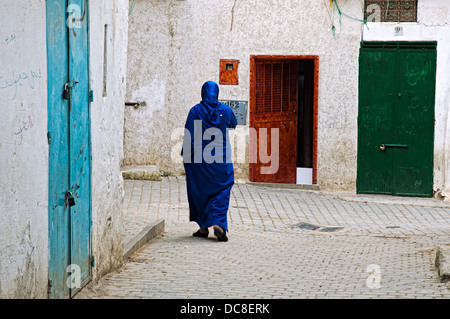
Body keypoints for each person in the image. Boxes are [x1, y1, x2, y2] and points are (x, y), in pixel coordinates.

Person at [181, 81, 237, 241]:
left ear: (202, 93)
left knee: (200, 191)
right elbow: (233, 123)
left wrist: (186, 157)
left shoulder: (195, 111)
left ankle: (203, 228)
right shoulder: (225, 111)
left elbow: (189, 137)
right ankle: (218, 224)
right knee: (222, 190)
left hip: (200, 162)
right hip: (221, 161)